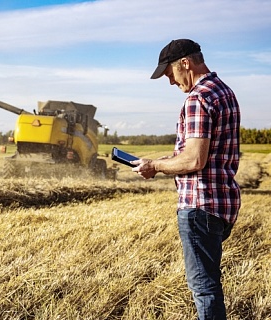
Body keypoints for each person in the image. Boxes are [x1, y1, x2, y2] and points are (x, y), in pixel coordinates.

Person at [131, 39, 241, 319]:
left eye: (169, 73)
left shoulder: (198, 98)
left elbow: (194, 159)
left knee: (204, 289)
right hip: (222, 204)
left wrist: (154, 166)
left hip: (199, 204)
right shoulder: (224, 92)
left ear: (185, 63)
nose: (170, 82)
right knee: (210, 285)